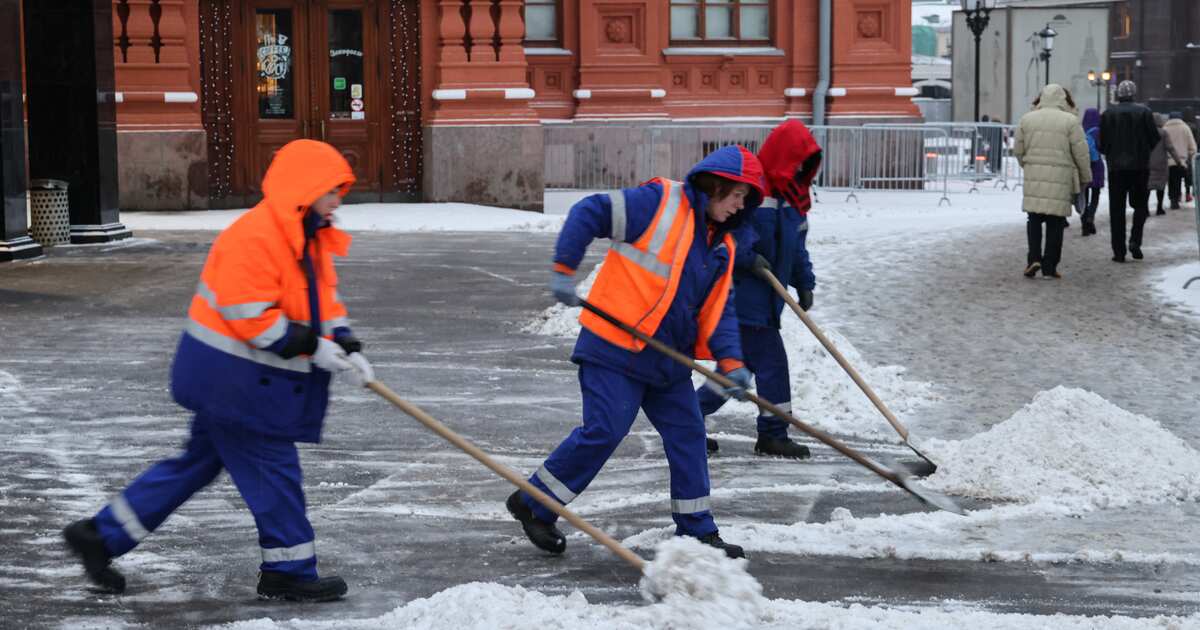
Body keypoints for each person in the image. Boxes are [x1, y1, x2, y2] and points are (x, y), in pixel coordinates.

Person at [62, 140, 374, 602]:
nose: (338, 200)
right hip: (235, 383)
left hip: (242, 383)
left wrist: (345, 342)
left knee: (193, 466)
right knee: (274, 470)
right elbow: (248, 312)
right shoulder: (256, 236)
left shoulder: (307, 234)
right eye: (332, 189)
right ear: (305, 189)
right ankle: (290, 570)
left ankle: (101, 535)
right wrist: (312, 347)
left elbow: (322, 298)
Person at [507, 145, 765, 560]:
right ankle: (534, 502)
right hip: (614, 349)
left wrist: (731, 363)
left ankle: (697, 529)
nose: (741, 207)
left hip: (667, 363)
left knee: (689, 433)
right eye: (738, 195)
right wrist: (564, 267)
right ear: (717, 185)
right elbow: (589, 211)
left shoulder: (722, 246)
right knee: (605, 430)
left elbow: (719, 313)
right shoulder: (658, 204)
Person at [697, 120, 821, 459]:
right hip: (742, 297)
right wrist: (748, 259)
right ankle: (773, 433)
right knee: (772, 365)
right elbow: (729, 233)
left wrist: (805, 282)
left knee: (737, 369)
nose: (799, 169)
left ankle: (689, 419)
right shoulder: (753, 192)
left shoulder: (795, 201)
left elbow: (797, 248)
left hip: (770, 302)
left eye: (805, 163)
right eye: (796, 160)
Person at [1013, 84, 1092, 279]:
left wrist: (1027, 165)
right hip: (1060, 176)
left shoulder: (1027, 119)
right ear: (1063, 100)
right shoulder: (1070, 121)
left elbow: (1018, 150)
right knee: (1055, 223)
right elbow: (1081, 153)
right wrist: (1085, 177)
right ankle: (1050, 266)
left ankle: (1033, 259)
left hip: (1034, 174)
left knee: (1034, 219)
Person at [1099, 80, 1159, 262]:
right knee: (1140, 206)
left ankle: (1119, 251)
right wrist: (1143, 151)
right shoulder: (1145, 112)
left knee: (1116, 210)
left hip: (1116, 168)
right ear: (1134, 94)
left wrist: (1111, 152)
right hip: (1140, 167)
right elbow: (1154, 138)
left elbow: (1102, 143)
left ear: (1119, 95)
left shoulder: (1108, 114)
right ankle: (1135, 241)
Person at [1147, 113, 1182, 216]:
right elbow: (1170, 148)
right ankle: (1159, 208)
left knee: (1147, 186)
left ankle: (1145, 209)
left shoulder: (1145, 132)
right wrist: (1178, 160)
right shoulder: (1163, 133)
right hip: (1161, 163)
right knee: (1160, 187)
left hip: (1147, 163)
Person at [1164, 112, 1197, 210]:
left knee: (1171, 181)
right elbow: (1192, 147)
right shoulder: (1185, 128)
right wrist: (1190, 155)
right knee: (1178, 179)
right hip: (1182, 160)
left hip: (1168, 160)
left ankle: (1173, 199)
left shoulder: (1165, 129)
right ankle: (1177, 198)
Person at [1079, 107, 1105, 236]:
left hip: (1083, 166)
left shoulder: (1080, 131)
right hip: (1097, 166)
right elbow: (1103, 148)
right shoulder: (1098, 131)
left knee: (1084, 196)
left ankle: (1084, 223)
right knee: (1095, 196)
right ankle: (1091, 218)